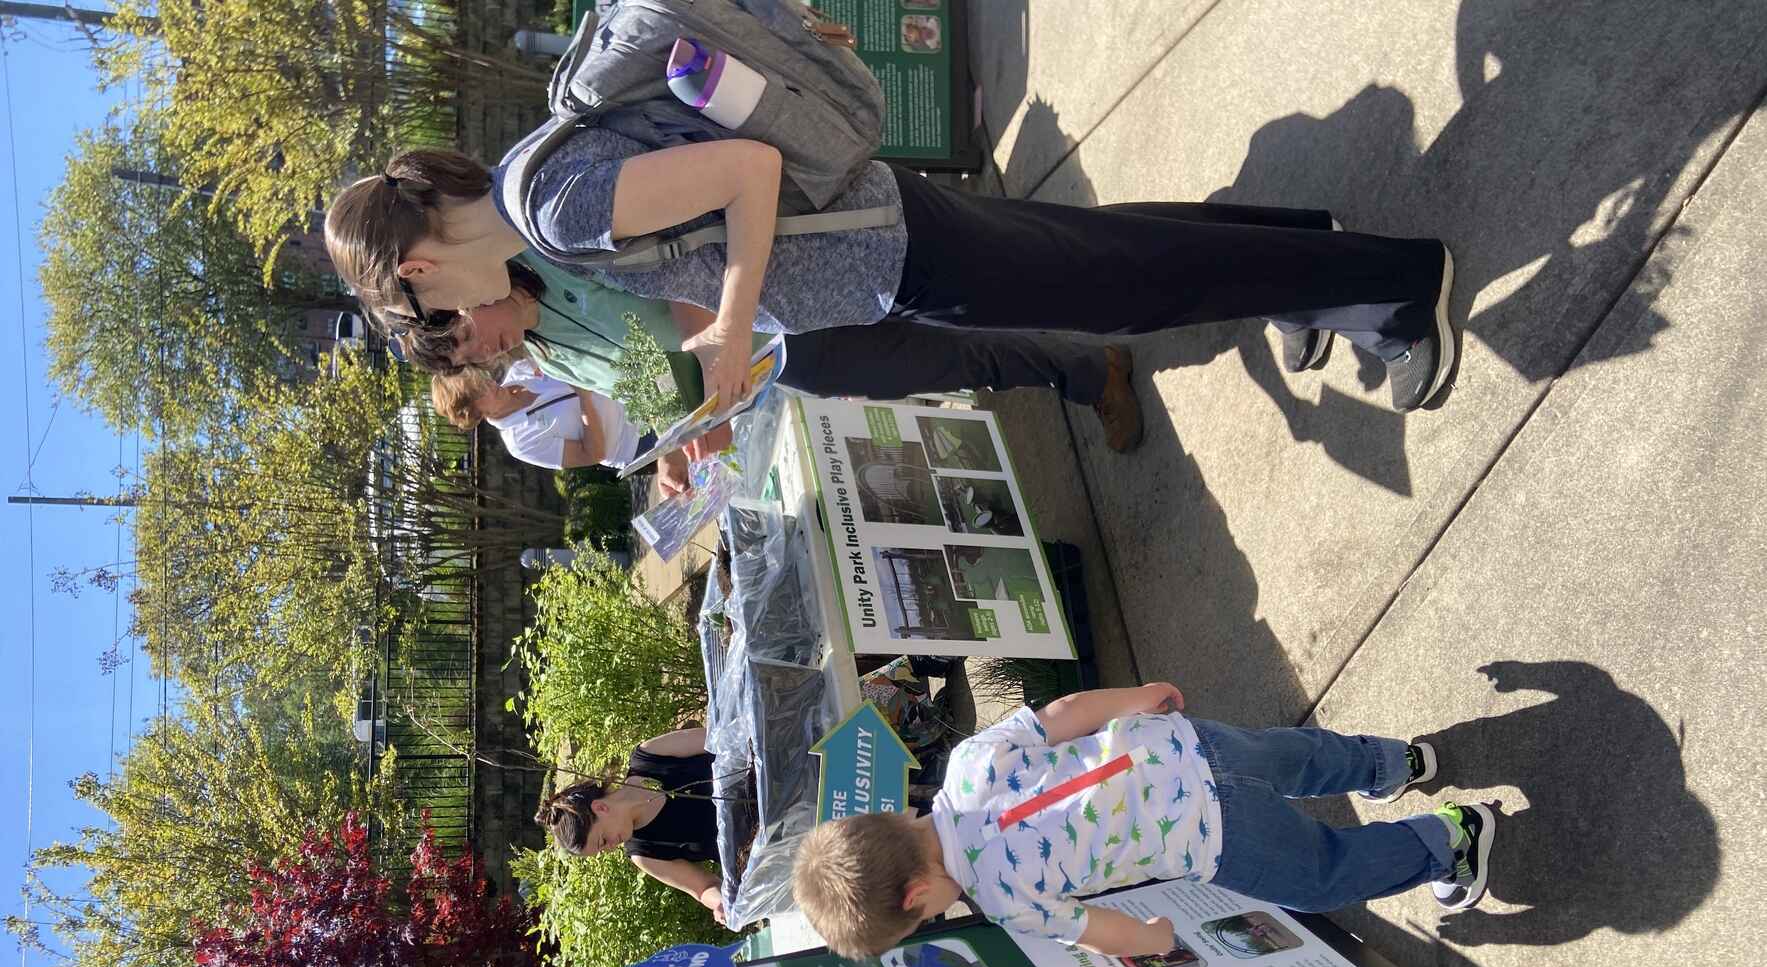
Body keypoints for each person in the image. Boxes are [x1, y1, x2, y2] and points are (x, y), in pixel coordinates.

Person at [325, 143, 1456, 423]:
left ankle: (1393, 284)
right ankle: (1308, 260)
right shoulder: (534, 192)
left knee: (1129, 286)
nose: (453, 324)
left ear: (419, 270)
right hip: (880, 252)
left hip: (884, 247)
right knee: (1118, 255)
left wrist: (725, 333)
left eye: (429, 313)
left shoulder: (551, 211)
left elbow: (748, 176)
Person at [791, 683, 1495, 960]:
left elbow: (1097, 930)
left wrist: (1153, 939)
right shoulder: (970, 761)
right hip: (1187, 743)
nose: (936, 916)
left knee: (1318, 876)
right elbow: (1061, 713)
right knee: (1298, 756)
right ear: (889, 815)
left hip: (1211, 833)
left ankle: (1451, 841)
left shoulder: (1006, 903)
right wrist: (1139, 695)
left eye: (923, 920)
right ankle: (1396, 763)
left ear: (916, 898)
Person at [397, 251, 1145, 463]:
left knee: (949, 335)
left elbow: (676, 272)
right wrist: (680, 439)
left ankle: (1089, 363)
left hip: (783, 307)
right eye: (476, 359)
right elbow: (646, 374)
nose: (489, 354)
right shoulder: (547, 349)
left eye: (470, 336)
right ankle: (1082, 362)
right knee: (943, 363)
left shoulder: (553, 255)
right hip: (779, 362)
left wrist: (713, 355)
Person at [535, 727, 731, 925]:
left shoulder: (650, 756)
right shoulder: (645, 854)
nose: (610, 847)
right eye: (603, 850)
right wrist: (719, 903)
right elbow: (703, 887)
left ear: (600, 807)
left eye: (602, 841)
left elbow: (722, 735)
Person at [430, 359, 648, 471]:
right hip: (638, 444)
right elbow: (594, 454)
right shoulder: (521, 442)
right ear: (474, 412)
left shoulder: (520, 370)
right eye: (479, 391)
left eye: (480, 378)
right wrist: (585, 399)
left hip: (641, 390)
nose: (488, 384)